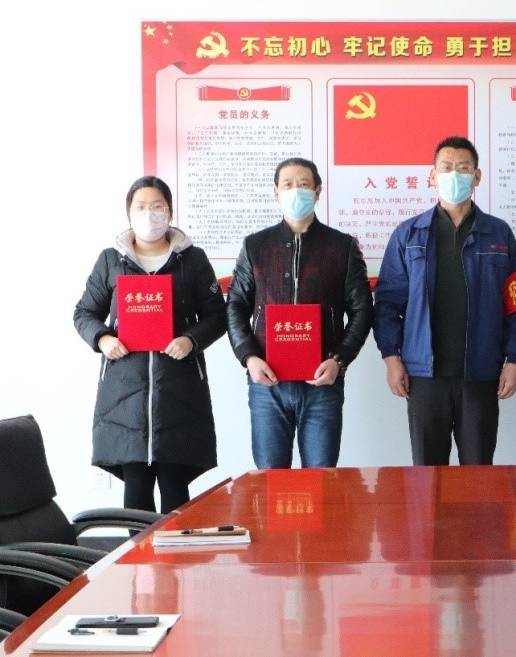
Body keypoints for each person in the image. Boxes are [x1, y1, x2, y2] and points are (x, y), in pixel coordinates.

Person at [373, 136, 516, 465]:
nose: (454, 175)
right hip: (423, 375)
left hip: (481, 373)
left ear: (477, 176)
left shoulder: (499, 234)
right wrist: (391, 359)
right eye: (446, 168)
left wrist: (514, 360)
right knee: (427, 474)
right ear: (432, 176)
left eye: (463, 168)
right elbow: (387, 304)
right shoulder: (409, 234)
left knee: (478, 472)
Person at [73, 176, 226, 513]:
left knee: (174, 483)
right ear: (128, 213)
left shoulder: (192, 260)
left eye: (157, 206)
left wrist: (190, 340)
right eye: (141, 207)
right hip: (124, 393)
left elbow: (217, 315)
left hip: (179, 389)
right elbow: (84, 313)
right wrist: (103, 338)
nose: (149, 214)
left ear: (169, 210)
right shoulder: (111, 260)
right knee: (136, 485)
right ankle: (136, 550)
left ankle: (177, 549)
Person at [226, 157, 373, 469]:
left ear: (317, 192)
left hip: (322, 381)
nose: (296, 191)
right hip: (267, 382)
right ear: (275, 192)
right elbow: (236, 305)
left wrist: (339, 360)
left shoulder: (342, 247)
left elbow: (361, 310)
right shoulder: (255, 246)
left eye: (304, 185)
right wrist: (249, 357)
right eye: (288, 185)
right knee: (270, 479)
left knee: (321, 479)